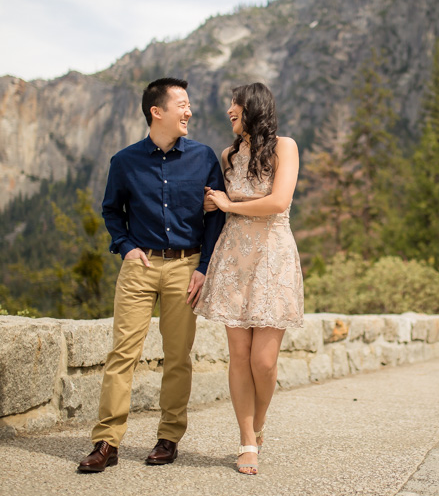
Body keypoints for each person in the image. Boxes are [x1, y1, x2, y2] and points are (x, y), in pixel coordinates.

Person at [77, 77, 225, 473]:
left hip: (186, 266)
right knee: (122, 353)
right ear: (156, 111)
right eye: (182, 104)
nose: (189, 111)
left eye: (189, 104)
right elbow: (111, 211)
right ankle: (106, 442)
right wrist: (126, 247)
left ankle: (168, 437)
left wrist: (204, 267)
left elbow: (217, 216)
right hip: (139, 268)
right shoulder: (124, 162)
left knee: (177, 357)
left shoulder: (204, 157)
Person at [194, 82, 304, 475]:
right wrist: (215, 203)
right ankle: (246, 441)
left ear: (253, 107)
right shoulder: (228, 155)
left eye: (235, 103)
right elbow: (217, 205)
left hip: (273, 256)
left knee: (264, 361)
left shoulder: (284, 147)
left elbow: (279, 201)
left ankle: (259, 426)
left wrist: (229, 202)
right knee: (239, 356)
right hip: (234, 256)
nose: (229, 110)